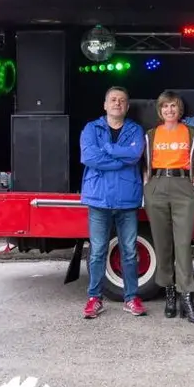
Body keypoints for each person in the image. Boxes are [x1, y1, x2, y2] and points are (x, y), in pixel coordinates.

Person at [80, 86, 146, 319]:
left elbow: (135, 155)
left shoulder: (135, 130)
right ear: (105, 105)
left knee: (129, 252)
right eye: (113, 99)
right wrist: (119, 158)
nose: (117, 103)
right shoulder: (91, 128)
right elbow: (88, 157)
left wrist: (107, 149)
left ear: (127, 107)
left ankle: (131, 298)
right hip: (99, 199)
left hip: (127, 199)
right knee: (97, 251)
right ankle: (94, 299)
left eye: (122, 100)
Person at [143, 91, 194, 324]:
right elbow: (145, 162)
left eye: (174, 106)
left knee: (182, 245)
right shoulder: (151, 134)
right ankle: (169, 295)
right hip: (157, 185)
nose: (170, 110)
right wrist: (147, 186)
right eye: (166, 106)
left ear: (180, 110)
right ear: (160, 110)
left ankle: (187, 298)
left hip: (182, 186)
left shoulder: (190, 133)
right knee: (163, 243)